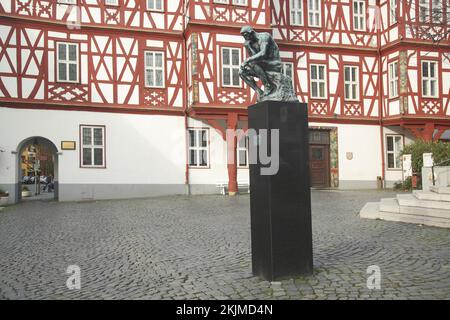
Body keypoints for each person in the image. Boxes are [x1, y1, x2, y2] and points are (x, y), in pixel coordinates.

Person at [239, 26, 283, 100]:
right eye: (244, 36)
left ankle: (268, 85)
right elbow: (254, 57)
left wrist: (248, 60)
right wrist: (248, 47)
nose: (245, 38)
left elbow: (263, 54)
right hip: (262, 65)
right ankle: (259, 91)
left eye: (246, 35)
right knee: (241, 72)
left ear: (252, 33)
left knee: (251, 63)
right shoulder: (250, 43)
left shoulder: (264, 36)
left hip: (274, 64)